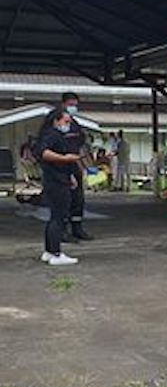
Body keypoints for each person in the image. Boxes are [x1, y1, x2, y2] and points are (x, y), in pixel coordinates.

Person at [36, 106, 81, 266]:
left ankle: (49, 251)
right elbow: (43, 153)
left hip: (60, 178)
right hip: (56, 182)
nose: (68, 124)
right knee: (59, 217)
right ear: (56, 120)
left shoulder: (55, 135)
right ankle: (56, 253)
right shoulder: (52, 135)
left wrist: (70, 175)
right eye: (66, 121)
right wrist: (65, 158)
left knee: (54, 217)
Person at [60, 92, 93, 241]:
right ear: (63, 104)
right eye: (70, 105)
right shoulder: (56, 122)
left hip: (75, 164)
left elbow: (80, 146)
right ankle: (62, 231)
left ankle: (77, 228)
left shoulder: (75, 125)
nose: (73, 108)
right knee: (64, 199)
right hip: (61, 165)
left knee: (78, 199)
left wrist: (83, 165)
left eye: (75, 105)